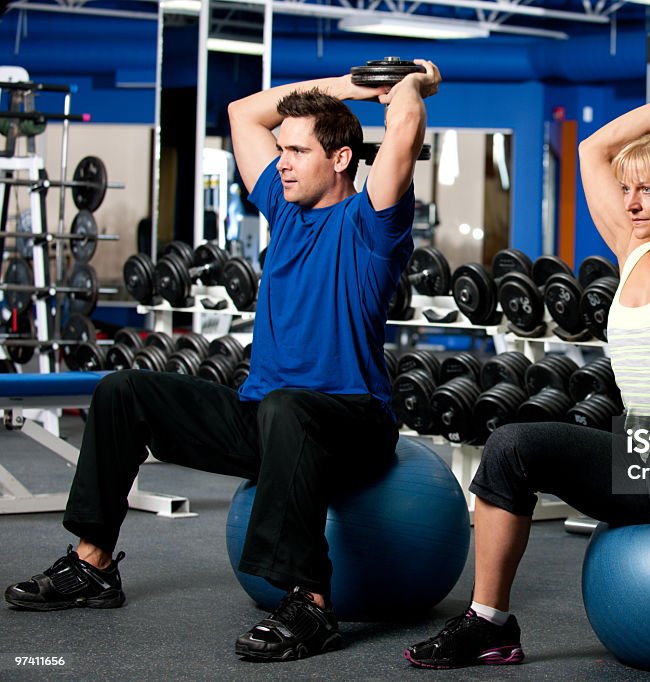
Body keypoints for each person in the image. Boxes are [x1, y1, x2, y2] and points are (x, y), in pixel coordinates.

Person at [4, 60, 441, 662]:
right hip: (266, 415)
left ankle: (312, 606)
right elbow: (243, 113)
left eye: (297, 150)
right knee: (123, 389)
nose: (281, 160)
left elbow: (405, 133)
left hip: (352, 421)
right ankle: (93, 564)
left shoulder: (370, 226)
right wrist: (348, 87)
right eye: (280, 149)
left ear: (340, 160)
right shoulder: (285, 213)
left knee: (290, 408)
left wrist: (411, 85)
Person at [404, 85, 650, 681]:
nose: (630, 203)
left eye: (647, 190)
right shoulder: (632, 251)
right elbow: (594, 150)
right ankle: (490, 622)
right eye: (627, 190)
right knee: (511, 447)